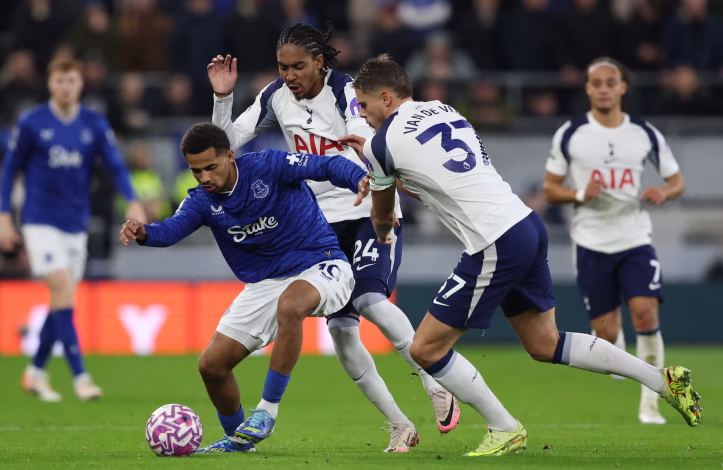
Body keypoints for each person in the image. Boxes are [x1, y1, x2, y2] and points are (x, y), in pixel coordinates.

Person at [339, 54, 700, 457]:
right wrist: (384, 169)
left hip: (494, 240)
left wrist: (384, 228)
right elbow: (434, 182)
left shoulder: (381, 143)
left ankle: (504, 427)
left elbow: (383, 214)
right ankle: (660, 379)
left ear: (385, 98)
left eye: (366, 106)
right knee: (544, 343)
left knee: (426, 349)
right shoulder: (444, 110)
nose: (365, 116)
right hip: (525, 225)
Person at [208, 22, 459, 452]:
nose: (289, 75)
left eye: (298, 66)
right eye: (282, 67)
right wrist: (223, 98)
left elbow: (364, 135)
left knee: (369, 300)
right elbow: (223, 146)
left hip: (365, 209)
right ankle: (399, 424)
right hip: (318, 227)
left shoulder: (345, 90)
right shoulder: (275, 96)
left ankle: (435, 380)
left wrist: (366, 175)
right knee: (343, 334)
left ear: (319, 62)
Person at [119, 122, 366, 453]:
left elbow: (326, 164)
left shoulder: (268, 165)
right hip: (267, 283)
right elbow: (172, 230)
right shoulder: (201, 201)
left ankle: (266, 411)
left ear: (230, 156)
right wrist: (144, 233)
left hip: (322, 263)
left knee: (291, 306)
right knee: (211, 365)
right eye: (196, 171)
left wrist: (360, 179)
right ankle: (238, 441)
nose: (204, 177)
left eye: (211, 167)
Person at [543, 57, 687, 424]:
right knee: (606, 336)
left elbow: (677, 181)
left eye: (611, 82)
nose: (604, 88)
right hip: (591, 241)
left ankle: (651, 403)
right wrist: (579, 193)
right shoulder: (571, 133)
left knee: (645, 312)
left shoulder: (644, 133)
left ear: (623, 87)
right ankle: (614, 352)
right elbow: (549, 188)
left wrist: (664, 193)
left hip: (634, 237)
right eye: (597, 82)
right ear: (588, 88)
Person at [0, 58, 145, 402]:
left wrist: (133, 200)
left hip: (75, 222)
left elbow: (115, 164)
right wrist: (3, 216)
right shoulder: (32, 121)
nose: (65, 86)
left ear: (80, 84)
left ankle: (35, 372)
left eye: (71, 80)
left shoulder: (93, 122)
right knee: (62, 286)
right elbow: (9, 170)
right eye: (60, 80)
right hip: (39, 220)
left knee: (61, 298)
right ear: (50, 84)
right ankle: (80, 377)